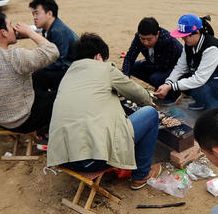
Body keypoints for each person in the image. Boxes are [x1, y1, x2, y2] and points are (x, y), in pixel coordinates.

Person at [47, 33, 163, 190]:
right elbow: (140, 95)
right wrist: (151, 102)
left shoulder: (68, 75)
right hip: (94, 161)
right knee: (150, 114)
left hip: (63, 159)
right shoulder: (105, 69)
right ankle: (141, 176)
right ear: (98, 56)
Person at [0, 9, 59, 134]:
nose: (13, 29)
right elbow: (52, 51)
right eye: (10, 25)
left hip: (0, 120)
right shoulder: (14, 56)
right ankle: (48, 133)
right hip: (25, 120)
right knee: (65, 94)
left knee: (41, 76)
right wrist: (30, 32)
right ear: (3, 33)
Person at [154, 14, 218, 113]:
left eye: (185, 36)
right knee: (184, 80)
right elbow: (180, 67)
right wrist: (168, 83)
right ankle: (203, 101)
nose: (183, 39)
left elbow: (200, 79)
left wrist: (171, 87)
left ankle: (215, 103)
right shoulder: (189, 44)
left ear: (197, 32)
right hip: (210, 77)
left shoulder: (212, 48)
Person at [121, 17, 182, 103]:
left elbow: (163, 67)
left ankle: (173, 94)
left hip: (174, 69)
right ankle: (159, 86)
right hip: (154, 64)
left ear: (157, 34)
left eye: (149, 39)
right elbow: (129, 57)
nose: (145, 42)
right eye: (143, 39)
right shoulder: (138, 37)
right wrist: (125, 76)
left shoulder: (168, 41)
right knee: (132, 67)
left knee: (155, 78)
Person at [29, 0, 78, 93]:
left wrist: (36, 66)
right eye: (33, 14)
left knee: (37, 76)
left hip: (73, 70)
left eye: (37, 13)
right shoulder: (47, 29)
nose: (34, 18)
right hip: (66, 67)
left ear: (49, 13)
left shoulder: (58, 31)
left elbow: (60, 61)